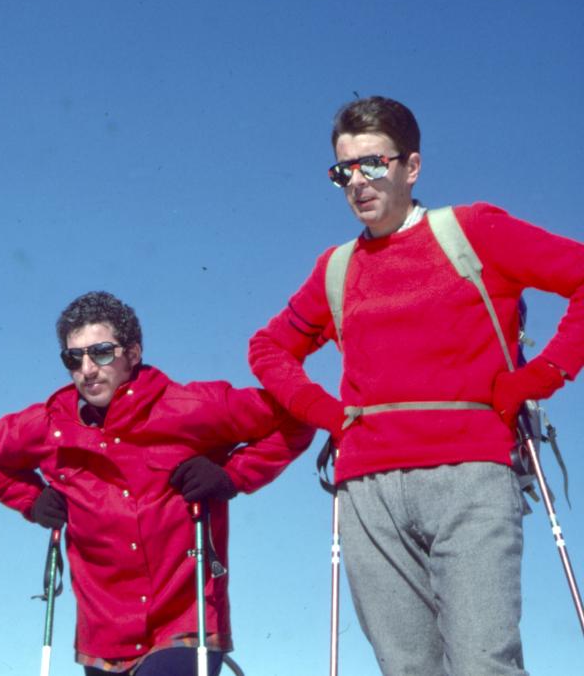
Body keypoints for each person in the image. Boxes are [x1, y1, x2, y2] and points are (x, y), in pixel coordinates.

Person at [248, 95, 584, 675]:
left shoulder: (473, 231)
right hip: (368, 489)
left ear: (412, 166)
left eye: (373, 164)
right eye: (343, 171)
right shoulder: (337, 267)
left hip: (471, 475)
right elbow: (269, 348)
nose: (358, 183)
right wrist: (325, 412)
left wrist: (539, 377)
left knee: (483, 664)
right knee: (406, 669)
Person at [0, 291, 314, 676]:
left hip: (184, 623)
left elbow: (295, 416)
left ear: (133, 354)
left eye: (101, 352)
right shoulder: (50, 425)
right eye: (74, 357)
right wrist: (32, 501)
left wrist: (232, 475)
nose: (87, 369)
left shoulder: (188, 407)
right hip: (103, 634)